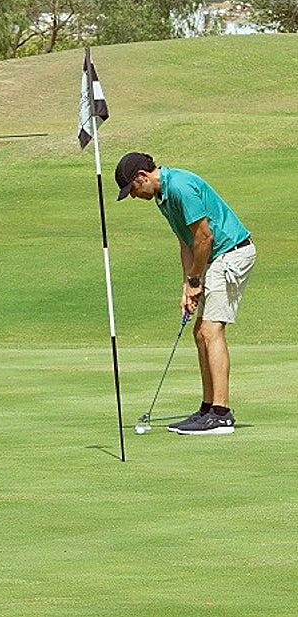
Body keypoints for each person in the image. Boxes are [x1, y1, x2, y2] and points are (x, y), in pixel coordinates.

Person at [115, 152, 256, 435]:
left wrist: (195, 279)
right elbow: (186, 243)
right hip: (212, 258)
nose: (133, 196)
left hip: (231, 254)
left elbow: (205, 237)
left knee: (210, 330)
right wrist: (187, 287)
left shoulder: (179, 187)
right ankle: (207, 408)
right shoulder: (163, 197)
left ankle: (221, 413)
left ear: (142, 177)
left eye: (132, 190)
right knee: (199, 332)